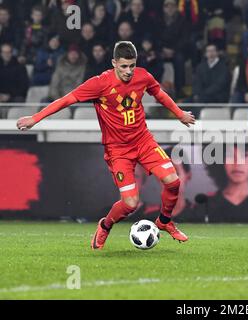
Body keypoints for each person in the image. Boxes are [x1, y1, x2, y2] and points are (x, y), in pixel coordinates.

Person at [16, 41, 196, 249]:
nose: (129, 71)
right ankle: (105, 225)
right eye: (124, 66)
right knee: (130, 204)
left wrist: (180, 114)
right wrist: (36, 118)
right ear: (114, 63)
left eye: (132, 65)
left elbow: (160, 94)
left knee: (173, 181)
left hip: (143, 141)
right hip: (118, 150)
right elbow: (67, 100)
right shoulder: (99, 83)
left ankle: (164, 222)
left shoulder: (143, 76)